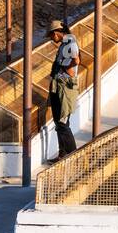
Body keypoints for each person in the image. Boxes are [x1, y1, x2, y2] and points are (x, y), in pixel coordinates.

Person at [45, 19, 81, 162]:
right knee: (59, 123)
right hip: (59, 86)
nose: (51, 39)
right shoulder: (65, 44)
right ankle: (63, 154)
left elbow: (76, 61)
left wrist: (67, 70)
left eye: (50, 35)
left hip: (64, 87)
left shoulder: (70, 44)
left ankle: (73, 155)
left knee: (62, 123)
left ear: (56, 33)